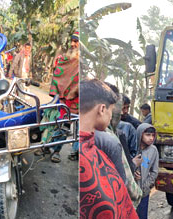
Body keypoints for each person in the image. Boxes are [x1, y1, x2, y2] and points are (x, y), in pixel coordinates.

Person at [79, 79, 138, 219]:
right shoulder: (104, 144)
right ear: (102, 109)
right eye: (111, 110)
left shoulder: (91, 146)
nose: (111, 116)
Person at [47, 32, 79, 162]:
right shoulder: (64, 60)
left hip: (82, 102)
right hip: (66, 101)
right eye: (72, 41)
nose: (72, 44)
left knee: (80, 129)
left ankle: (75, 152)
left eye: (76, 41)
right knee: (63, 126)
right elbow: (58, 72)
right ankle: (54, 150)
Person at [135, 123, 159, 219]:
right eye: (148, 135)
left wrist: (146, 185)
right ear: (140, 134)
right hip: (130, 191)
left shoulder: (153, 150)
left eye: (153, 135)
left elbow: (154, 171)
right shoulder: (132, 147)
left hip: (143, 192)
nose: (151, 138)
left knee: (142, 216)